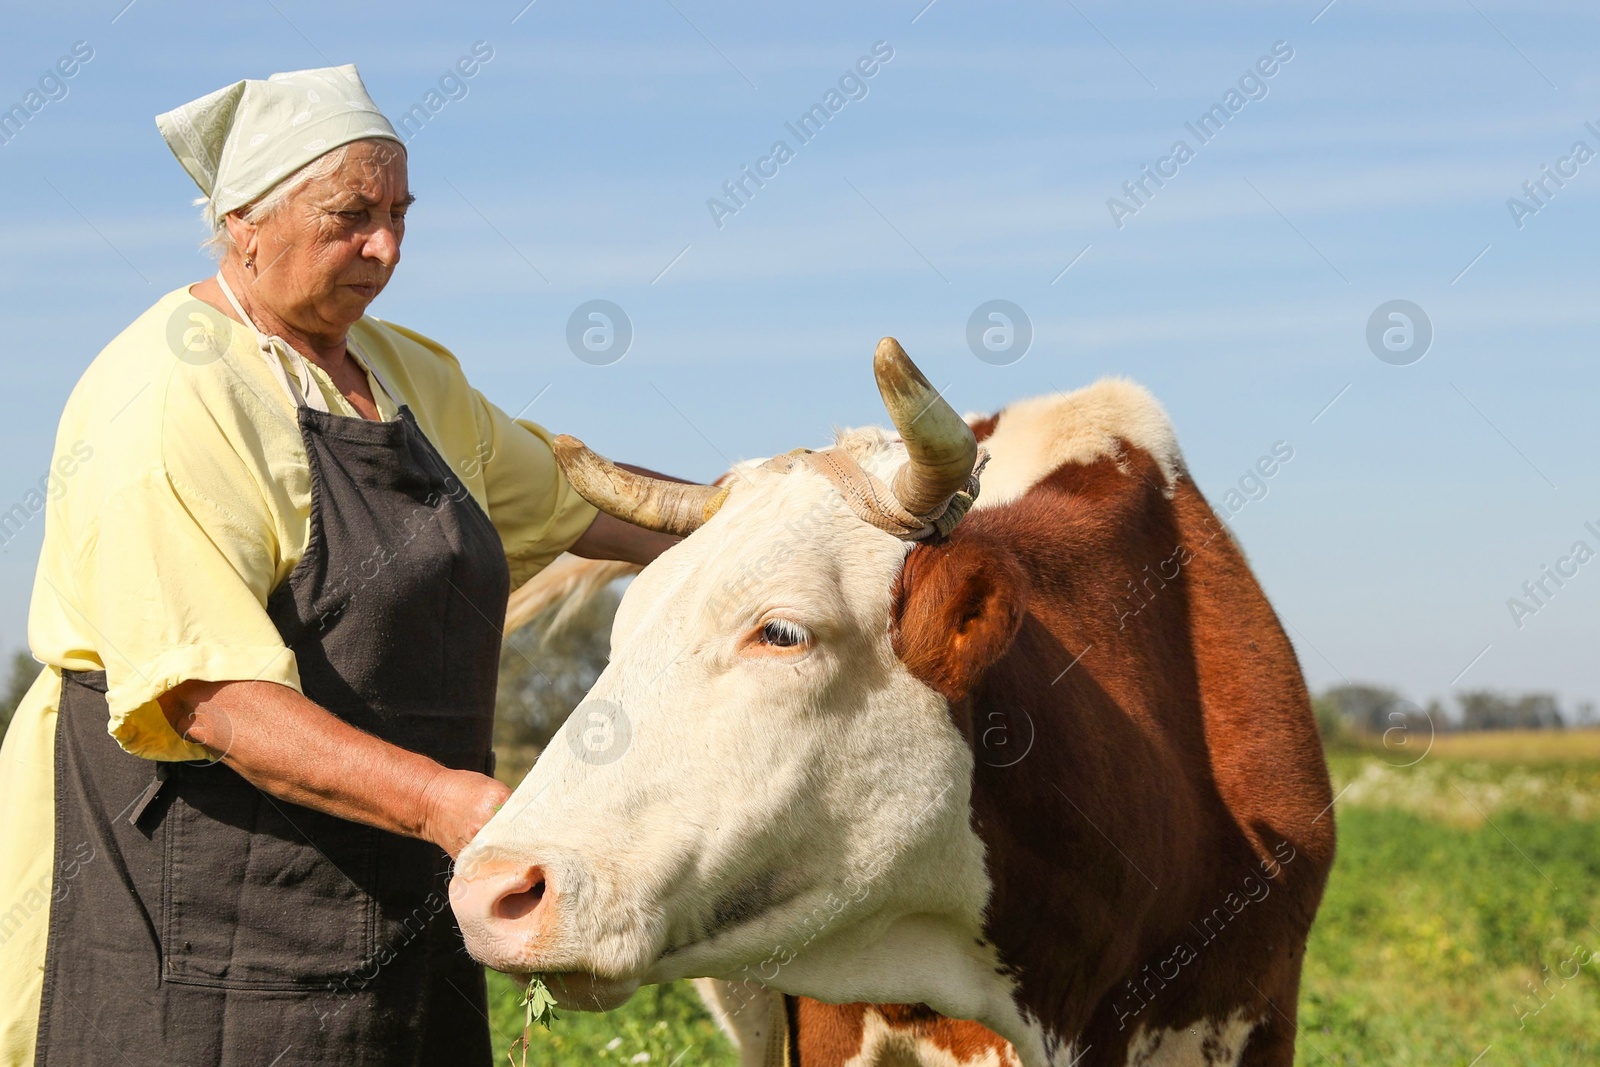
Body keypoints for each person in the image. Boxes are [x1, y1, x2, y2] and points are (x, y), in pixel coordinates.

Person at [0, 64, 676, 1066]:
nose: (387, 247)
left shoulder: (401, 372)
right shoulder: (168, 391)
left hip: (394, 882)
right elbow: (212, 695)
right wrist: (451, 803)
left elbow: (586, 499)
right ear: (245, 222)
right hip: (201, 891)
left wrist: (776, 520)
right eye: (353, 215)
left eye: (401, 213)